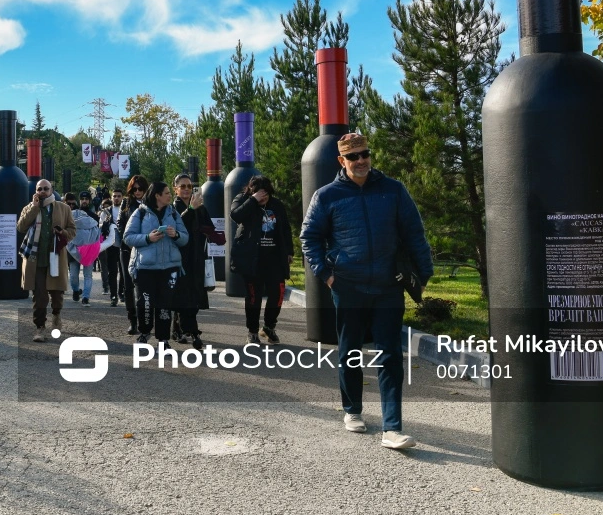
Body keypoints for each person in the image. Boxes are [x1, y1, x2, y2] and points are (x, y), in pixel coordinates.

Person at [300, 132, 433, 451]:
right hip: (348, 286)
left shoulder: (393, 190)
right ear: (341, 161)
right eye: (354, 156)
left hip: (388, 286)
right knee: (350, 352)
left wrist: (423, 274)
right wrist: (328, 276)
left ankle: (392, 428)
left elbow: (414, 232)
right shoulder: (327, 195)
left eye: (365, 154)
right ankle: (352, 410)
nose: (361, 161)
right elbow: (310, 238)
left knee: (390, 356)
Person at [122, 181, 189, 348]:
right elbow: (127, 237)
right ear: (157, 196)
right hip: (145, 268)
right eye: (166, 193)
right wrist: (147, 238)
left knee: (165, 304)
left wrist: (176, 235)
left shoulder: (173, 213)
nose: (170, 195)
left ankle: (163, 339)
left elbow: (185, 238)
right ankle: (144, 332)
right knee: (145, 303)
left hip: (169, 268)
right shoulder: (140, 213)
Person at [229, 175, 293, 347]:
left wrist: (289, 251)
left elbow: (285, 228)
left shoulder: (276, 205)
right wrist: (252, 200)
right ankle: (252, 331)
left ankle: (269, 327)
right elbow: (235, 215)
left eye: (265, 195)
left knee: (278, 293)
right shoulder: (242, 199)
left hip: (274, 258)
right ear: (252, 192)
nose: (263, 198)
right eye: (259, 195)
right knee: (253, 296)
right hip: (252, 258)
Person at [167, 173, 223, 349]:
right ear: (175, 189)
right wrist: (190, 210)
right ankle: (193, 331)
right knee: (183, 296)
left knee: (195, 295)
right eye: (182, 186)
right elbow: (176, 227)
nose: (186, 190)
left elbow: (209, 227)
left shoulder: (200, 207)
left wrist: (213, 235)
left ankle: (179, 328)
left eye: (189, 187)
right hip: (179, 258)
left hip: (198, 256)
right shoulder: (171, 209)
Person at [17, 180, 76, 342]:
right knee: (39, 295)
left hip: (55, 257)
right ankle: (40, 327)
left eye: (45, 189)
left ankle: (56, 315)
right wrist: (35, 208)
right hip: (36, 259)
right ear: (35, 191)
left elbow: (73, 231)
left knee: (57, 293)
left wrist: (62, 232)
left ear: (51, 191)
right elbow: (21, 227)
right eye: (39, 189)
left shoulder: (63, 208)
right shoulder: (30, 208)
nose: (42, 191)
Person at [118, 175, 150, 334]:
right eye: (135, 188)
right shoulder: (126, 203)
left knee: (144, 286)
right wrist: (128, 240)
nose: (137, 192)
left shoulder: (151, 203)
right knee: (128, 285)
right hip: (127, 249)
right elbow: (119, 224)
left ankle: (146, 318)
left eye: (141, 188)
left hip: (145, 249)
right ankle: (133, 320)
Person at [67, 193, 100, 305]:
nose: (84, 201)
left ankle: (86, 297)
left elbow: (97, 234)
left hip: (89, 250)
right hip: (73, 250)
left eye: (86, 199)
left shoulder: (94, 217)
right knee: (73, 276)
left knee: (87, 275)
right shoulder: (72, 214)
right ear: (79, 201)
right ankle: (76, 291)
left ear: (89, 201)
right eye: (82, 199)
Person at [98, 194, 122, 305]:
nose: (116, 198)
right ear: (112, 198)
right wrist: (106, 224)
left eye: (119, 196)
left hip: (124, 245)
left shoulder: (126, 209)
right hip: (111, 245)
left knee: (124, 271)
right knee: (112, 271)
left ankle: (121, 292)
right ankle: (114, 296)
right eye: (115, 196)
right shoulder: (106, 211)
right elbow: (100, 226)